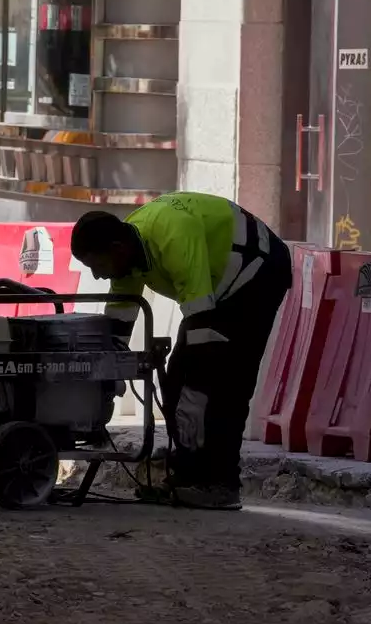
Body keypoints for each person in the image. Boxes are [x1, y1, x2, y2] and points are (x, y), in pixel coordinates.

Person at [71, 192, 293, 510]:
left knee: (221, 384)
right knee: (177, 381)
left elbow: (202, 327)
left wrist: (194, 375)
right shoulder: (126, 256)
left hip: (259, 272)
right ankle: (189, 476)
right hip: (218, 289)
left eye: (97, 266)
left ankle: (220, 485)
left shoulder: (173, 237)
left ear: (117, 250)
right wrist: (109, 372)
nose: (97, 276)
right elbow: (118, 326)